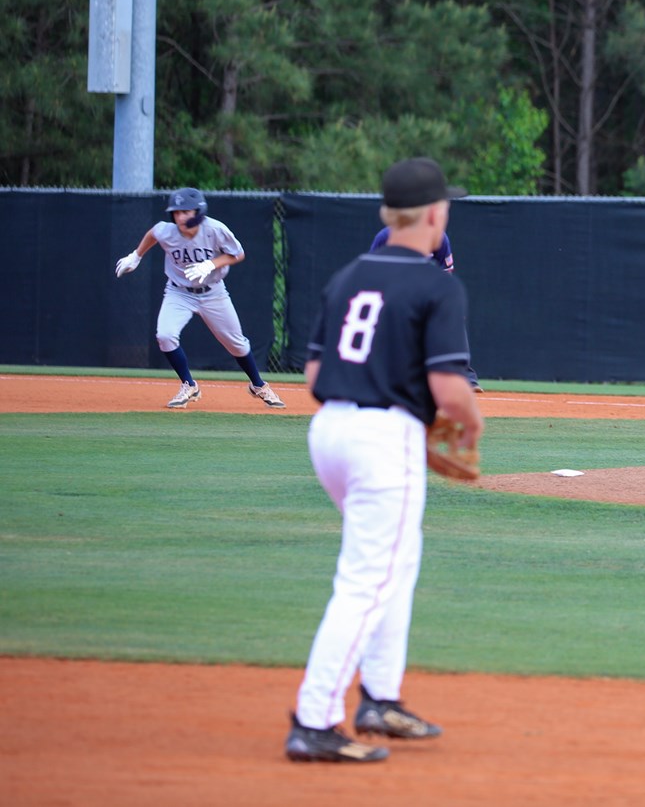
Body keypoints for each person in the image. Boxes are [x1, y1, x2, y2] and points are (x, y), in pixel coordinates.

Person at [286, 156, 484, 763]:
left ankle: (380, 697)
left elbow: (316, 373)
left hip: (330, 434)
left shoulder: (349, 275)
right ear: (434, 213)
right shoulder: (436, 283)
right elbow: (451, 391)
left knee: (396, 559)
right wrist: (471, 428)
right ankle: (314, 719)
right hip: (381, 440)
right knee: (369, 576)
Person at [113, 187, 286, 410]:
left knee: (237, 345)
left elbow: (238, 254)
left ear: (199, 211)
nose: (181, 216)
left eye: (186, 211)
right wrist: (136, 256)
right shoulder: (167, 231)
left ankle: (259, 385)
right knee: (165, 336)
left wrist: (211, 264)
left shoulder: (214, 229)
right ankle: (189, 385)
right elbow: (153, 234)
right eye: (177, 212)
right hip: (178, 292)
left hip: (213, 293)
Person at [369, 225, 483, 392]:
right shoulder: (386, 236)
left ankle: (465, 376)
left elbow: (445, 273)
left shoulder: (438, 237)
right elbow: (371, 270)